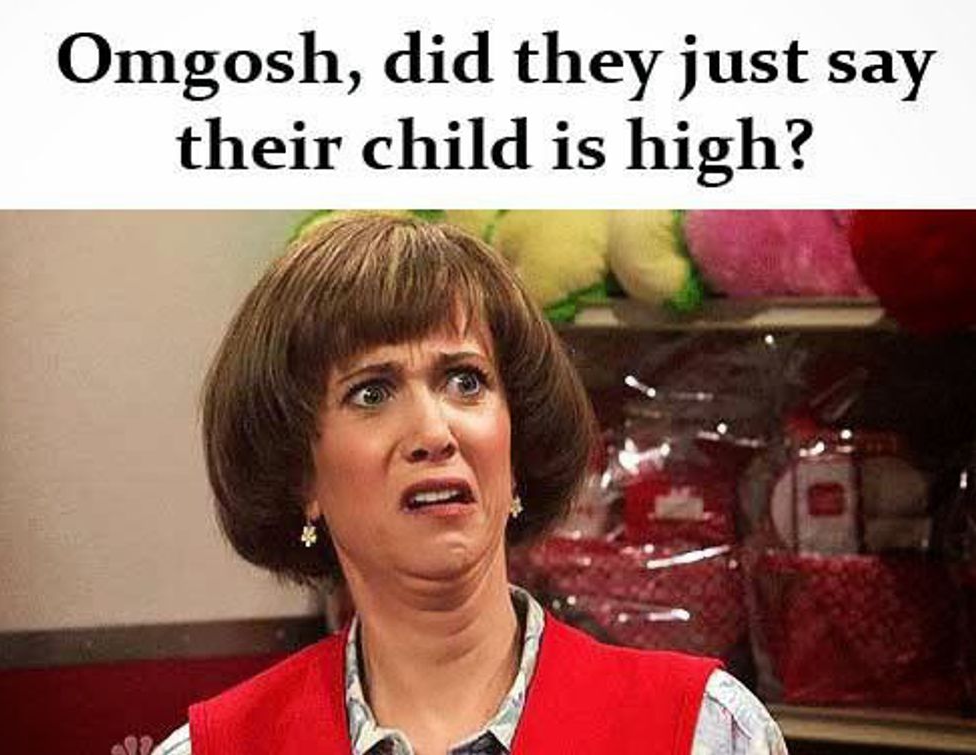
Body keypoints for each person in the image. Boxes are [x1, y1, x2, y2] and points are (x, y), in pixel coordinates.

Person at [156, 213, 787, 755]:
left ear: (516, 444)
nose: (434, 432)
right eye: (371, 393)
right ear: (300, 474)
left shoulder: (708, 732)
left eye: (465, 381)